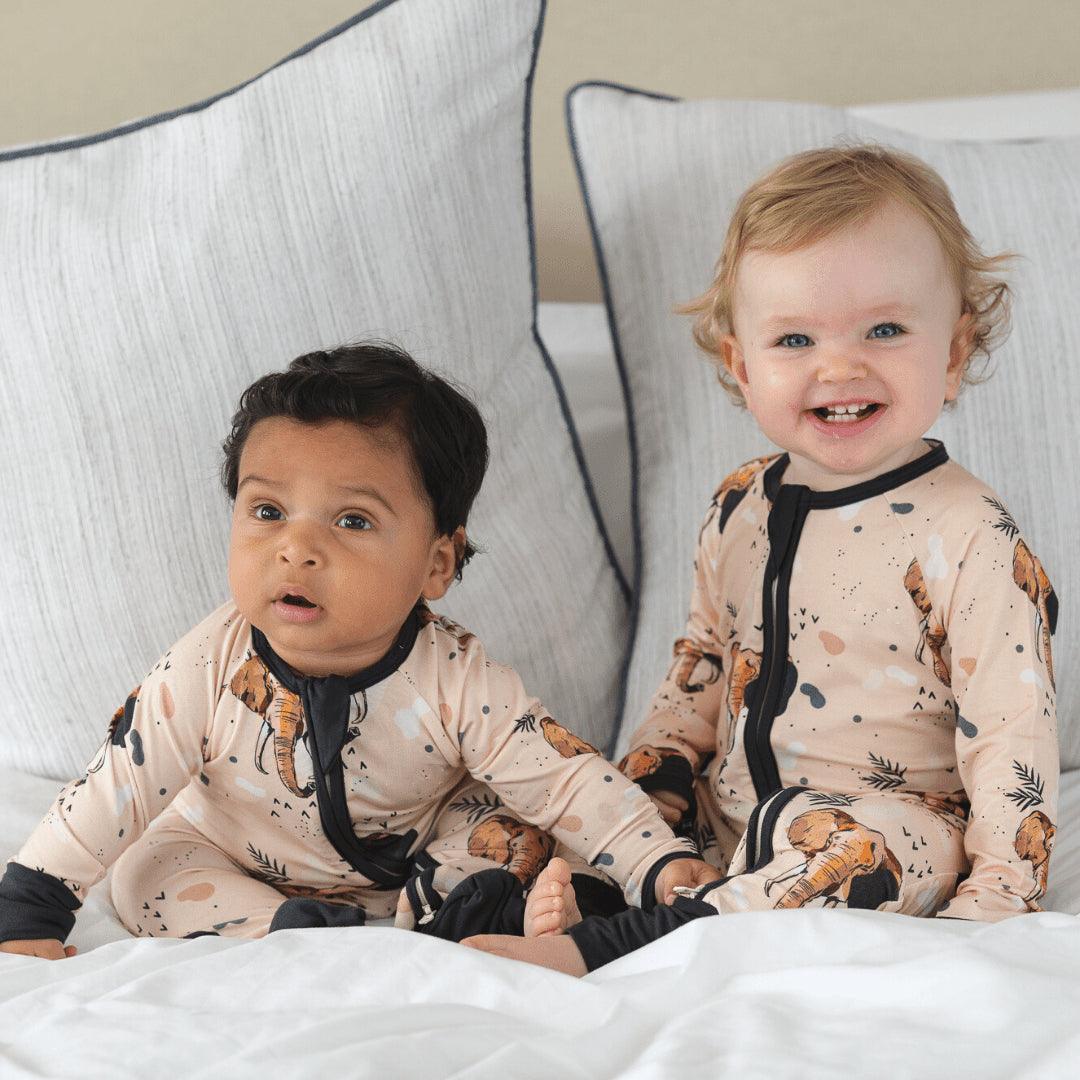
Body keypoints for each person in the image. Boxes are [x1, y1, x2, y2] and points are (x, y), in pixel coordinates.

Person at [464, 143, 1060, 975]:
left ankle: (618, 944)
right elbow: (700, 667)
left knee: (863, 856)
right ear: (743, 368)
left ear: (954, 353)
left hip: (889, 823)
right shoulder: (741, 503)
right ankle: (531, 901)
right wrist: (657, 781)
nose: (840, 365)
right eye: (795, 338)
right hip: (727, 820)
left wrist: (993, 903)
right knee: (560, 808)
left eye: (886, 330)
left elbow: (1009, 735)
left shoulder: (970, 536)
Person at [0, 343, 719, 959]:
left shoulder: (453, 675)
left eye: (351, 520)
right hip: (233, 854)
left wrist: (659, 861)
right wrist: (29, 910)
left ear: (437, 563)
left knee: (513, 825)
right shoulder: (209, 665)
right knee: (143, 870)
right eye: (268, 511)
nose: (296, 548)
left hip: (414, 862)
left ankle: (469, 914)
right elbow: (117, 783)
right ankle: (288, 929)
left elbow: (561, 777)